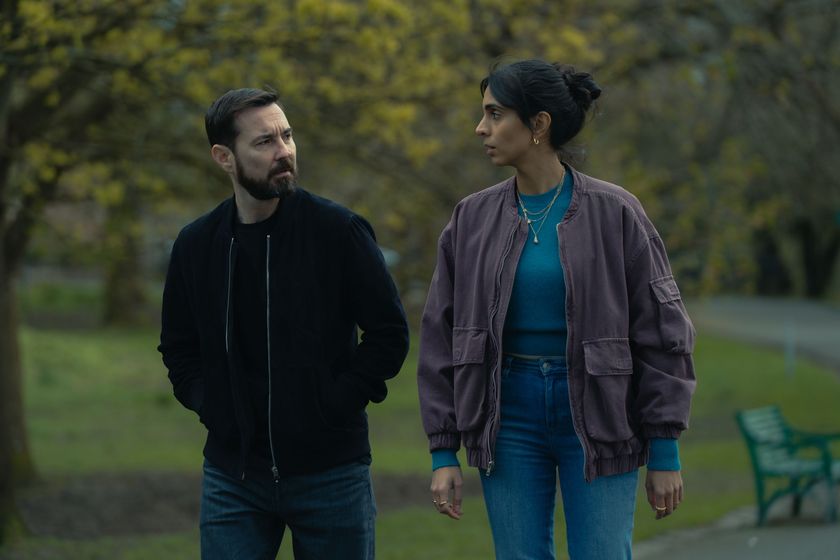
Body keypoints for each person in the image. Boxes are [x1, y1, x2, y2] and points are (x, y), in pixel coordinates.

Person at [417, 60, 696, 559]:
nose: (481, 128)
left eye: (495, 114)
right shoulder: (470, 219)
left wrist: (665, 449)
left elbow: (663, 333)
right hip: (507, 415)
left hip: (601, 410)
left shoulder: (617, 213)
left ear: (538, 125)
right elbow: (439, 337)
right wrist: (444, 451)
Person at [158, 88, 409, 559]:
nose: (283, 152)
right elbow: (179, 347)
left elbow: (388, 334)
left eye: (287, 136)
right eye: (264, 142)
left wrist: (336, 403)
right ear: (223, 157)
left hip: (331, 473)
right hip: (233, 478)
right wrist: (211, 406)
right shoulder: (196, 245)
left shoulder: (338, 231)